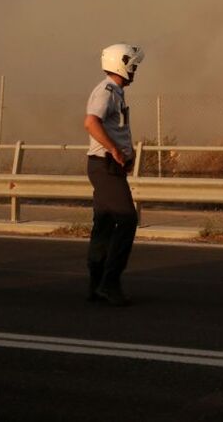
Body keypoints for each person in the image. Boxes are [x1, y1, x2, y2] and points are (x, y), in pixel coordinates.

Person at [83, 43, 144, 307]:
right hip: (104, 165)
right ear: (122, 63)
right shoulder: (106, 91)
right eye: (133, 64)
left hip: (108, 165)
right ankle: (109, 283)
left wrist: (123, 155)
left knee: (104, 225)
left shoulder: (116, 92)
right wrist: (114, 150)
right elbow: (90, 122)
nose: (135, 70)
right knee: (127, 220)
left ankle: (97, 285)